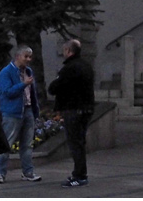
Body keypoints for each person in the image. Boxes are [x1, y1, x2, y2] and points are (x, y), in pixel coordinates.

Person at [47, 39, 94, 188]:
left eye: (64, 50)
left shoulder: (69, 68)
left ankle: (79, 175)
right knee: (79, 142)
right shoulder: (86, 66)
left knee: (75, 143)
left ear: (69, 51)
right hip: (86, 109)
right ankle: (80, 173)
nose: (62, 53)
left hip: (73, 109)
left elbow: (54, 87)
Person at [0, 45, 41, 184]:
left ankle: (28, 172)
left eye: (30, 57)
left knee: (27, 144)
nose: (28, 59)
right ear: (17, 56)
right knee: (6, 143)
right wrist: (23, 84)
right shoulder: (6, 72)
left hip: (27, 110)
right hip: (11, 112)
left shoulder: (28, 71)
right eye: (25, 56)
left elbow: (32, 94)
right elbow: (7, 92)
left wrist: (35, 110)